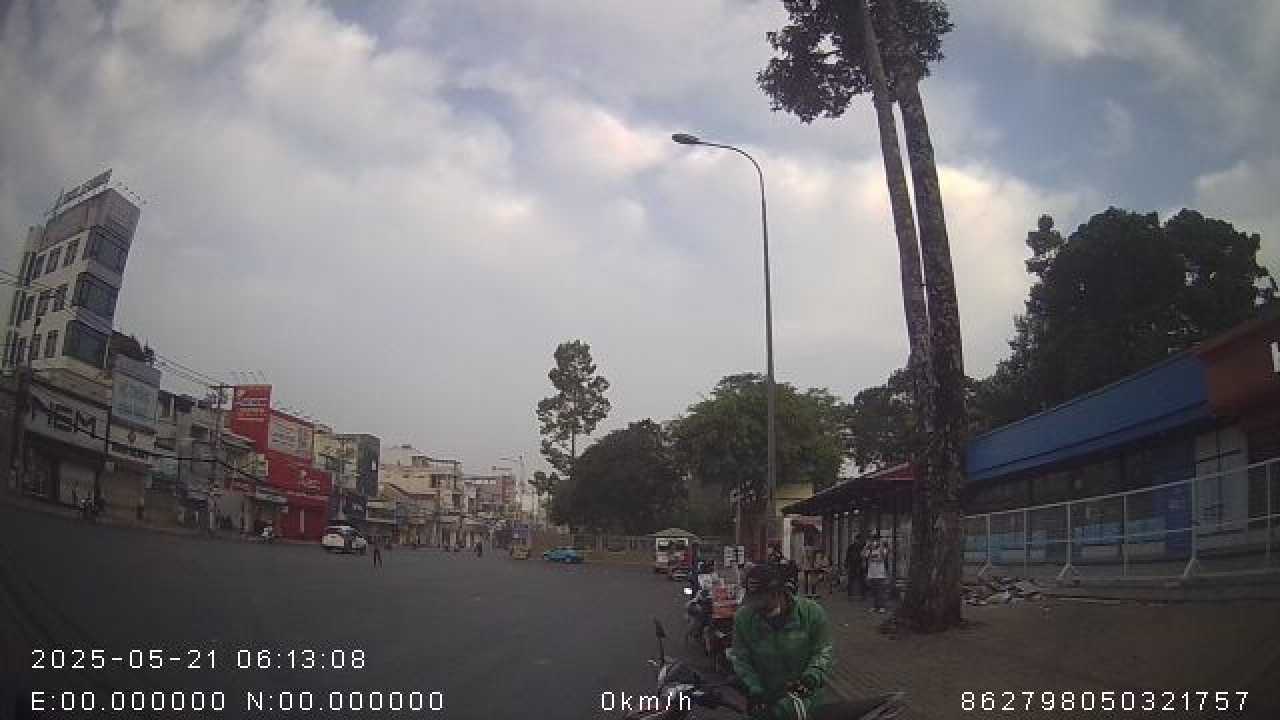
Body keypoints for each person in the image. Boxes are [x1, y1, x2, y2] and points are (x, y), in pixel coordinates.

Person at [727, 563, 834, 720]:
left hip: (807, 703)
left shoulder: (812, 614)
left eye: (762, 601)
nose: (757, 607)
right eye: (753, 600)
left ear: (778, 593)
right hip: (767, 703)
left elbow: (824, 651)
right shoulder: (744, 618)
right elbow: (740, 658)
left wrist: (811, 677)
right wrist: (754, 689)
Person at [863, 534, 891, 613]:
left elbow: (883, 557)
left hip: (880, 573)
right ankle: (874, 606)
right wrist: (866, 546)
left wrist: (881, 546)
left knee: (881, 591)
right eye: (873, 540)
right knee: (872, 591)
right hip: (871, 573)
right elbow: (863, 555)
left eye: (876, 540)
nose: (874, 542)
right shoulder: (870, 549)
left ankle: (882, 606)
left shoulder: (882, 548)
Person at [845, 533, 866, 600]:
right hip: (854, 565)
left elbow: (848, 556)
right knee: (856, 580)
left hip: (857, 565)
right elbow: (848, 556)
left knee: (858, 580)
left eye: (858, 540)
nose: (858, 541)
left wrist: (846, 564)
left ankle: (857, 595)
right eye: (858, 539)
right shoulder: (852, 547)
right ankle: (855, 595)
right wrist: (846, 564)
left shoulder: (860, 547)